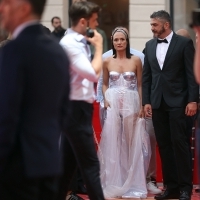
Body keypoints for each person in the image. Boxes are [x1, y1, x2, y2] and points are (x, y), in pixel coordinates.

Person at [0, 0, 70, 199]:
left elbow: (6, 114)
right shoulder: (59, 52)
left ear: (24, 7)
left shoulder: (13, 50)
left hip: (16, 167)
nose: (1, 8)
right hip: (49, 162)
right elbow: (64, 111)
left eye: (7, 3)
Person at [142, 10, 199, 200]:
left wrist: (193, 100)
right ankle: (171, 187)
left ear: (166, 25)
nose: (152, 28)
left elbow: (191, 75)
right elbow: (147, 77)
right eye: (151, 25)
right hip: (157, 103)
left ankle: (185, 188)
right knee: (164, 146)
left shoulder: (184, 43)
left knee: (180, 144)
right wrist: (147, 101)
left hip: (179, 102)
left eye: (154, 25)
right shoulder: (149, 46)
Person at [97, 27, 151, 199]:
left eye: (122, 40)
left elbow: (141, 84)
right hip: (113, 102)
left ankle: (133, 183)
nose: (119, 43)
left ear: (127, 41)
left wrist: (142, 105)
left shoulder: (136, 60)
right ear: (112, 41)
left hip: (132, 102)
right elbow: (104, 83)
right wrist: (105, 99)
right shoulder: (106, 61)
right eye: (116, 40)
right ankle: (115, 181)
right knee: (113, 143)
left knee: (130, 142)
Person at [59, 1, 104, 200]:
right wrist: (101, 46)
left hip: (78, 108)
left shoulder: (78, 41)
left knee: (66, 168)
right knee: (91, 166)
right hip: (74, 109)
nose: (97, 24)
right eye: (94, 20)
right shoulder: (69, 44)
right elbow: (93, 74)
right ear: (84, 21)